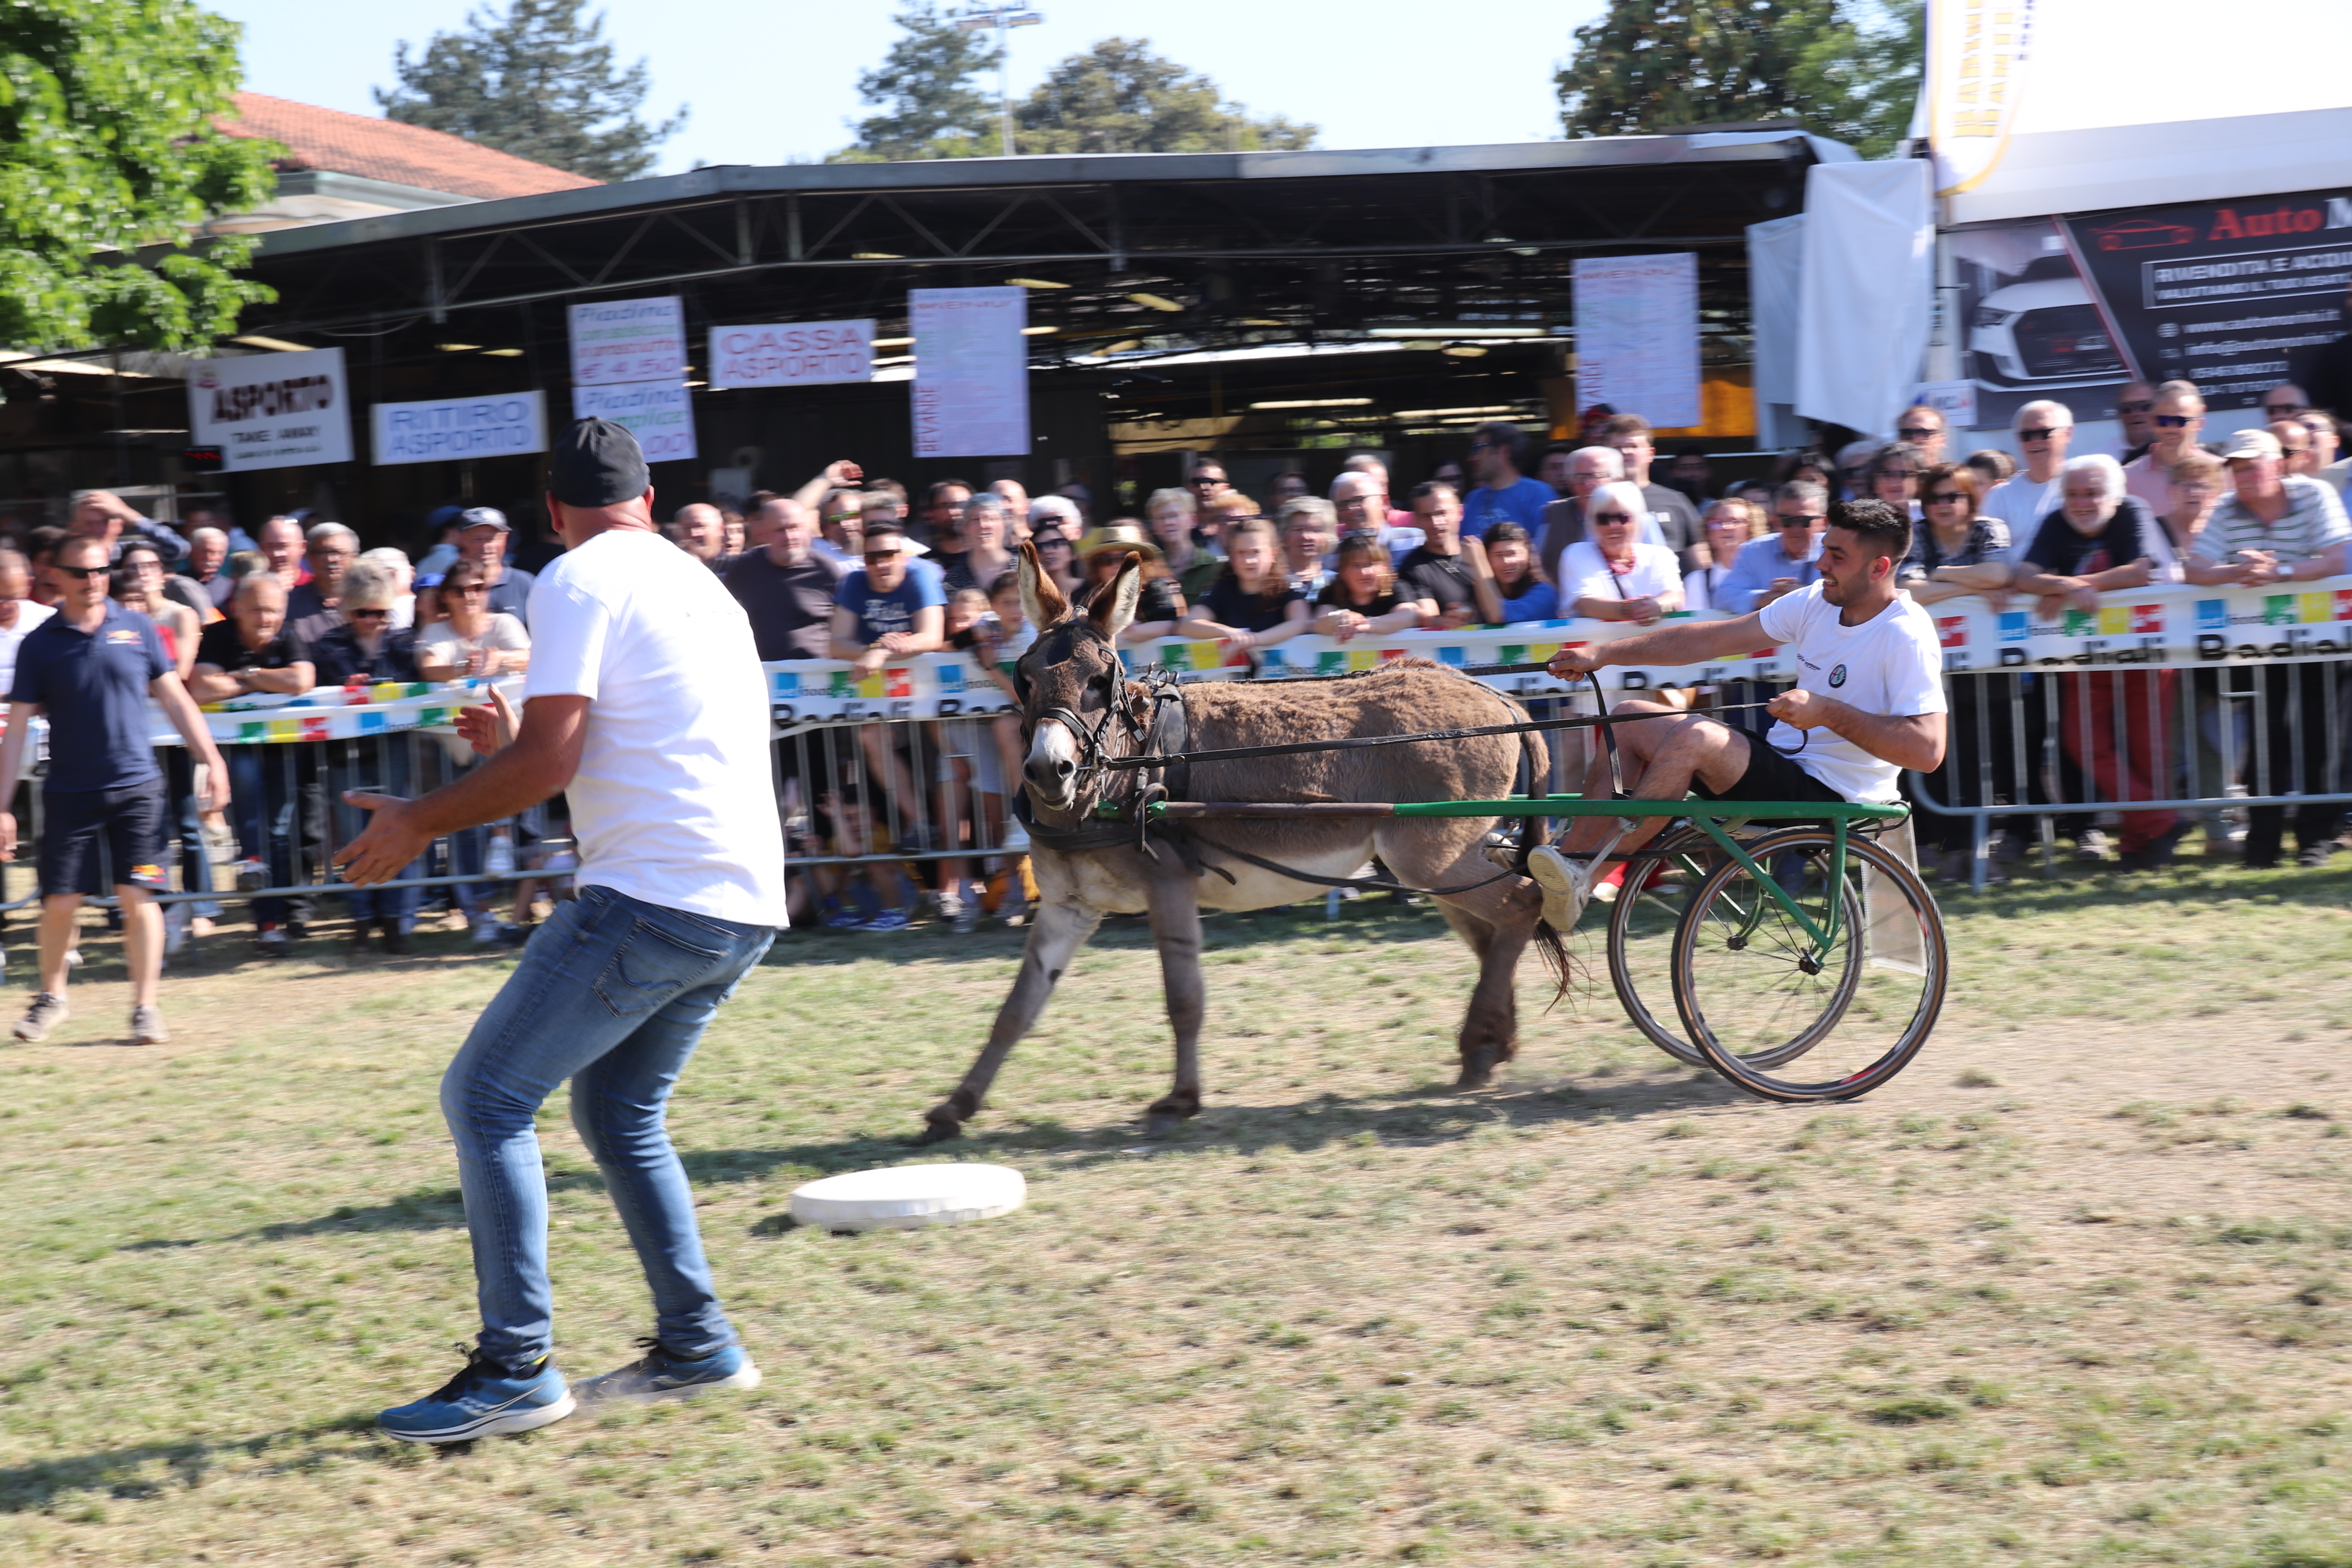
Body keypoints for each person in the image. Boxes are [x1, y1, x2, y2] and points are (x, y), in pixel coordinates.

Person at [332, 418, 785, 1443]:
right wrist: (512, 748)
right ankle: (699, 1344)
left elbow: (547, 767)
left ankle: (515, 1368)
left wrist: (415, 818)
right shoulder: (699, 583)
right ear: (653, 498)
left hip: (654, 899)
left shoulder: (575, 582)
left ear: (552, 511)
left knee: (486, 1098)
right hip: (742, 902)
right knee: (621, 1116)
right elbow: (596, 754)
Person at [1528, 500, 1945, 932]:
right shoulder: (1815, 602)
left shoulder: (1906, 633)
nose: (1820, 563)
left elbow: (1927, 750)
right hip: (1788, 769)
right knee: (1629, 715)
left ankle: (1592, 874)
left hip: (1836, 795)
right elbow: (1711, 640)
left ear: (1879, 569)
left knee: (1697, 739)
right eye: (1825, 549)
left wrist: (1827, 712)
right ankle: (1565, 873)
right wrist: (1604, 654)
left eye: (1837, 556)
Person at [0, 535, 229, 1045]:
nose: (94, 580)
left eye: (102, 571)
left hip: (138, 790)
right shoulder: (41, 644)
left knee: (139, 894)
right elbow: (15, 729)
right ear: (55, 576)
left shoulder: (139, 628)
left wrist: (212, 760)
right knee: (60, 902)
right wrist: (3, 808)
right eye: (81, 572)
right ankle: (51, 998)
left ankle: (145, 1008)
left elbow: (176, 701)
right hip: (70, 793)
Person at [2185, 427, 2352, 869]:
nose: (2243, 474)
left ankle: (2316, 841)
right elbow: (2195, 570)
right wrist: (2239, 571)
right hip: (2261, 644)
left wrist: (2280, 572)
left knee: (2322, 739)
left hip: (2324, 639)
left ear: (2278, 464)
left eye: (2251, 464)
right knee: (2265, 743)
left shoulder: (2315, 493)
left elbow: (2339, 559)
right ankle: (2263, 845)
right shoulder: (2224, 507)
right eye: (2236, 466)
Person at [2013, 454, 2183, 869]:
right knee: (2082, 743)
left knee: (2148, 750)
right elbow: (2022, 576)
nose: (2082, 502)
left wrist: (2067, 586)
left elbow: (2139, 572)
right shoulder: (2056, 520)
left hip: (2146, 648)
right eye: (2073, 493)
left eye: (2092, 493)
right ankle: (2161, 821)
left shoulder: (2133, 511)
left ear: (2115, 494)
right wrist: (2067, 586)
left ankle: (2138, 843)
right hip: (2085, 656)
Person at [190, 575, 317, 953]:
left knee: (278, 831)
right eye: (258, 609)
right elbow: (200, 687)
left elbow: (301, 680)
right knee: (251, 825)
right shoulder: (217, 634)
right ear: (237, 609)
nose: (267, 619)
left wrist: (244, 677)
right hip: (236, 749)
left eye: (274, 610)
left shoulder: (290, 633)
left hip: (282, 747)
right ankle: (261, 897)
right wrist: (264, 683)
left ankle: (270, 923)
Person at [306, 561, 426, 952]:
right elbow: (321, 686)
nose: (373, 620)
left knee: (395, 832)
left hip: (393, 749)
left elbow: (414, 683)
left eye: (380, 612)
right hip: (345, 756)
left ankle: (393, 921)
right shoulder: (328, 645)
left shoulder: (404, 643)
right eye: (363, 612)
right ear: (348, 610)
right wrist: (346, 686)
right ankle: (361, 921)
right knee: (355, 838)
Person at [830, 521, 942, 826]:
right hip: (879, 692)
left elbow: (931, 637)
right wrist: (883, 646)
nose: (881, 563)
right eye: (872, 557)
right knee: (870, 737)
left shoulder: (921, 576)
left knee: (949, 762)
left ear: (904, 556)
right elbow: (837, 644)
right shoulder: (854, 582)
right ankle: (920, 826)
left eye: (890, 554)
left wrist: (880, 651)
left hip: (930, 691)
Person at [720, 497, 840, 663]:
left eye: (795, 528)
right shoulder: (744, 567)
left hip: (816, 677)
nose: (789, 537)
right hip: (764, 673)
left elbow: (845, 625)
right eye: (780, 530)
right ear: (765, 532)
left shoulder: (826, 569)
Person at [1175, 517, 1310, 653]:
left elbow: (1300, 622)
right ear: (1231, 556)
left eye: (1256, 552)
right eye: (1241, 553)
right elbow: (1187, 624)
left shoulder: (1288, 584)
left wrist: (1254, 640)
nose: (1249, 560)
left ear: (1273, 554)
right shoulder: (1224, 589)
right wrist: (1227, 632)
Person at [1557, 481, 1682, 624]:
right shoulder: (1577, 554)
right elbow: (1586, 604)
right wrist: (1631, 609)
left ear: (1637, 520)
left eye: (1622, 517)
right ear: (1592, 523)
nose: (1613, 526)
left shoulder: (1661, 555)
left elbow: (1676, 597)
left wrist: (1659, 607)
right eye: (1603, 519)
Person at [1898, 466, 2013, 606]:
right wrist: (1975, 589)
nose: (1942, 505)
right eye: (1934, 498)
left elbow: (1998, 575)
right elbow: (1909, 591)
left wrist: (1941, 573)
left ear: (1970, 500)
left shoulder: (1990, 528)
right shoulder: (1913, 533)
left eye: (1952, 497)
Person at [1597, 413, 1702, 565]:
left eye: (1633, 446)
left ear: (1650, 454)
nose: (1626, 452)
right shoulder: (1595, 502)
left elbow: (1699, 556)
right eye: (1617, 447)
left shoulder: (1676, 500)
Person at [1717, 480, 1830, 612]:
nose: (1795, 529)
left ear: (1823, 522)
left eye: (1804, 521)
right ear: (1776, 521)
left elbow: (1853, 595)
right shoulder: (1755, 550)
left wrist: (1805, 595)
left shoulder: (1838, 551)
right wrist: (1764, 598)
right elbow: (1723, 597)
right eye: (1787, 520)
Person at [419, 508, 536, 629]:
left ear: (505, 539)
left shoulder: (525, 583)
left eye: (492, 539)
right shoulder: (449, 583)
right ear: (462, 539)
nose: (486, 546)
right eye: (478, 539)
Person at [1395, 481, 1488, 630]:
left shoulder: (1482, 552)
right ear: (1416, 521)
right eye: (1426, 517)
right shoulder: (1412, 568)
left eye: (1442, 513)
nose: (1435, 523)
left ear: (1460, 512)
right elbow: (1426, 614)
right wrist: (1440, 621)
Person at [1070, 521, 1183, 641]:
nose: (1116, 566)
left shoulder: (1158, 587)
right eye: (1107, 560)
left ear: (1142, 563)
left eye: (1125, 559)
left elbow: (1174, 624)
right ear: (1097, 566)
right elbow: (1072, 632)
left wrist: (1133, 632)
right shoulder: (1084, 595)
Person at [1536, 445, 1628, 584]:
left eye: (1595, 476)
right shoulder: (1555, 515)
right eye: (1579, 477)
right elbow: (1539, 568)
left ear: (1617, 480)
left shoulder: (1635, 517)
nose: (1587, 484)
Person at [1980, 400, 2072, 538]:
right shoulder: (2000, 497)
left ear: (2067, 434)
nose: (2035, 441)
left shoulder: (2083, 488)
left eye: (2044, 433)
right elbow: (1991, 552)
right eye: (2026, 436)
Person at [1313, 532, 1423, 641]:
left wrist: (1364, 624)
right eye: (1356, 566)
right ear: (1343, 572)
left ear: (1386, 567)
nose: (1365, 572)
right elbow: (1319, 623)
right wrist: (1340, 619)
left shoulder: (1397, 586)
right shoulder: (1332, 592)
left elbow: (1409, 616)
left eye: (1371, 564)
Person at [1459, 421, 1554, 540]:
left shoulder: (1538, 494)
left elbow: (1544, 549)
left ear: (1502, 451)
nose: (1471, 458)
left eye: (1477, 450)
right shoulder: (1473, 499)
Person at [2121, 381, 2205, 515]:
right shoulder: (2127, 478)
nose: (2170, 429)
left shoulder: (2220, 472)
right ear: (2151, 422)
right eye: (2163, 421)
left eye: (2180, 421)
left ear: (2199, 424)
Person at [1463, 519, 1557, 623]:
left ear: (1528, 555)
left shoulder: (1545, 594)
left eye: (1513, 554)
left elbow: (1500, 617)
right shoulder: (1475, 592)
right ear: (1487, 558)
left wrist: (1478, 562)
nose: (1506, 562)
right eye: (1498, 555)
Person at [1684, 497, 1764, 613]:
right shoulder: (1697, 581)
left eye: (1735, 521)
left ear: (1752, 528)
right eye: (1718, 523)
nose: (1726, 527)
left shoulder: (1766, 574)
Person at [67, 489, 189, 565]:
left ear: (119, 525)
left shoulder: (128, 553)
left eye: (105, 522)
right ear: (75, 528)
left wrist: (129, 515)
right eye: (90, 524)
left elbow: (179, 548)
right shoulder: (66, 559)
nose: (99, 529)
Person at [1330, 469, 1421, 561]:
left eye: (1358, 500)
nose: (1351, 509)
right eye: (1343, 504)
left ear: (1383, 501)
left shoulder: (1416, 541)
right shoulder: (1332, 556)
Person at [286, 522, 359, 633]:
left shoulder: (370, 603)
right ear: (309, 557)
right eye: (323, 553)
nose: (331, 559)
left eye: (338, 553)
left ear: (354, 557)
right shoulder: (289, 605)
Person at [2154, 451, 2223, 563]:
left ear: (2215, 493)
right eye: (2185, 485)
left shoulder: (2220, 531)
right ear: (2171, 490)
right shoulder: (2154, 530)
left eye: (2201, 486)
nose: (2193, 492)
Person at [942, 492, 1014, 595]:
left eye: (992, 519)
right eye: (976, 520)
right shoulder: (952, 580)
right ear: (965, 528)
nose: (983, 525)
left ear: (1005, 525)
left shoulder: (1028, 570)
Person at [1278, 497, 1337, 597]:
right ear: (1283, 534)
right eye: (1298, 530)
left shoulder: (1338, 583)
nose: (1306, 536)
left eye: (1315, 530)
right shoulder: (1273, 584)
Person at [1865, 443, 1926, 519]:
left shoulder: (1931, 515)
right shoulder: (1859, 522)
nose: (1895, 483)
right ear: (1873, 480)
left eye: (1904, 474)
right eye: (1886, 474)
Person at [2112, 380, 2160, 464]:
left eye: (2145, 406)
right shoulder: (2100, 460)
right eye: (2127, 409)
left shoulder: (2181, 451)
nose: (2135, 414)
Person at [666, 502, 728, 567]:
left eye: (701, 527)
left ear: (721, 528)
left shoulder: (735, 566)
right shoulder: (671, 567)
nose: (694, 534)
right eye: (687, 528)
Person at [187, 526, 234, 610]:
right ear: (191, 551)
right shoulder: (173, 585)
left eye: (220, 553)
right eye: (206, 552)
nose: (212, 558)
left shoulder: (231, 589)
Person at [1893, 404, 1950, 468]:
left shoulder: (1953, 476)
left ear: (1942, 440)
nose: (1916, 440)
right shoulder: (1887, 477)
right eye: (1907, 433)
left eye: (1924, 433)